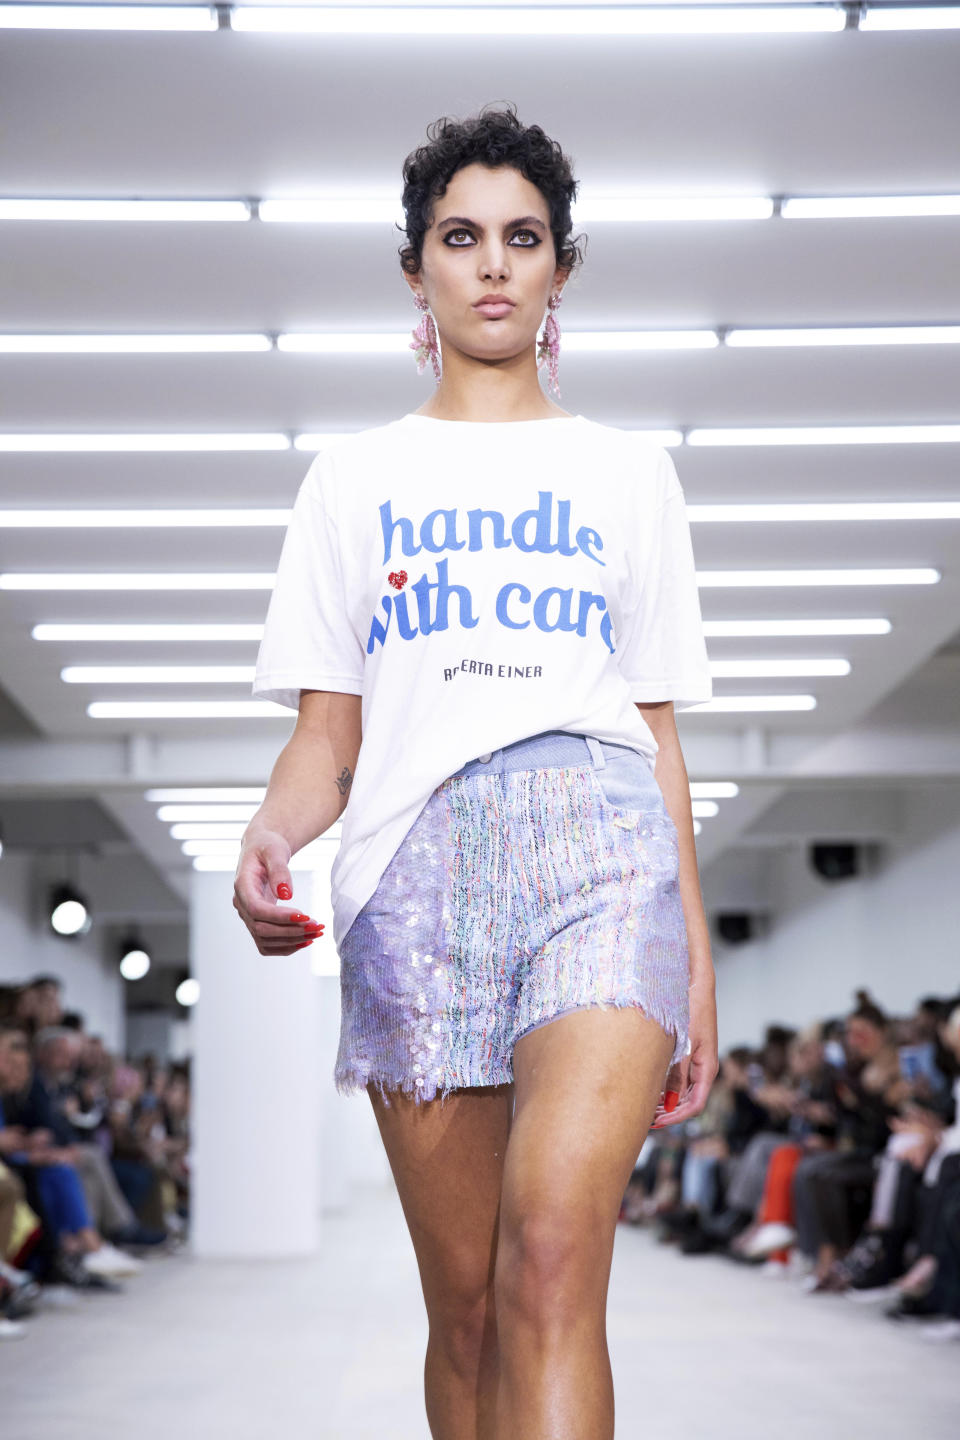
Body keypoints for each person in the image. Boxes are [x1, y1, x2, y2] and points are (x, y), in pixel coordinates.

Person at [233, 103, 719, 1440]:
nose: (493, 264)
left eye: (523, 238)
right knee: (472, 1309)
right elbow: (327, 736)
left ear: (561, 266)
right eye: (461, 238)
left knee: (557, 1255)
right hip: (416, 879)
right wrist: (267, 838)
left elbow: (660, 728)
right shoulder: (352, 481)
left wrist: (696, 948)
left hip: (601, 853)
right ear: (417, 270)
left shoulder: (630, 474)